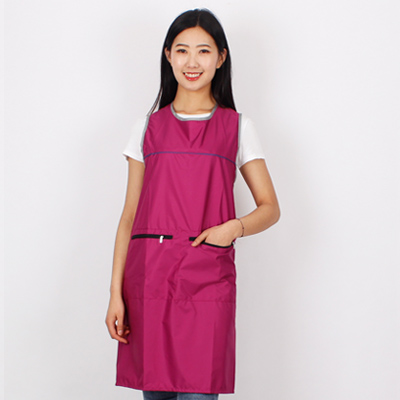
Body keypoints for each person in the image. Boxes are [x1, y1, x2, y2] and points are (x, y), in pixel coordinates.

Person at [105, 8, 280, 400]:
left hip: (207, 281)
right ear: (168, 56)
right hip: (150, 280)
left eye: (204, 51)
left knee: (199, 391)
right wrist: (115, 293)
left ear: (220, 58)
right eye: (182, 50)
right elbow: (129, 216)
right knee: (156, 394)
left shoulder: (238, 127)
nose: (192, 62)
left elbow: (270, 207)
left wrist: (233, 228)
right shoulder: (147, 128)